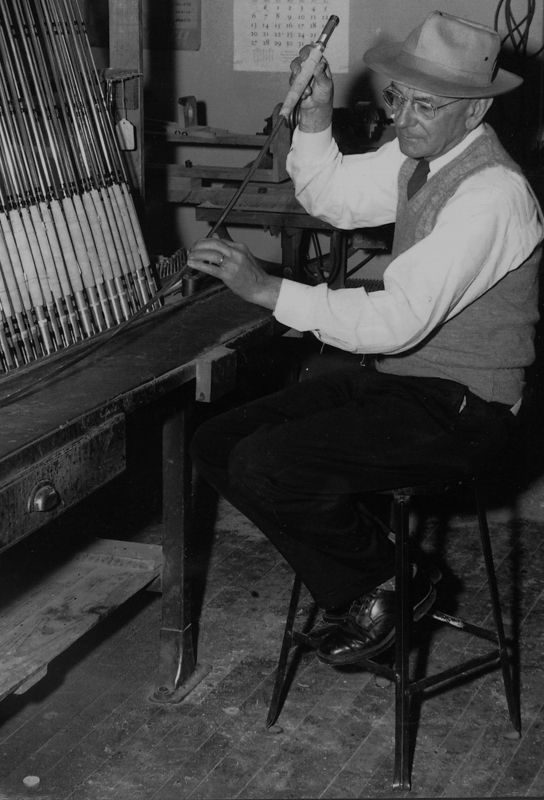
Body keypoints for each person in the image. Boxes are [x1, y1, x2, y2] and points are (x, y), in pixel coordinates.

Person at [185, 10, 543, 666]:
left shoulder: (492, 195)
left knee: (270, 462)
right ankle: (375, 584)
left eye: (426, 105)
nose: (404, 118)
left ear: (476, 110)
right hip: (405, 382)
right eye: (398, 97)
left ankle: (392, 584)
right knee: (217, 443)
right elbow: (338, 198)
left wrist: (269, 291)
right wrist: (316, 116)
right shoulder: (422, 158)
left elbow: (397, 319)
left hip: (469, 409)